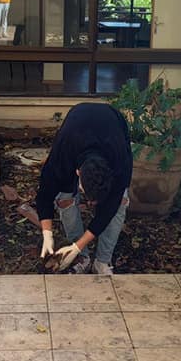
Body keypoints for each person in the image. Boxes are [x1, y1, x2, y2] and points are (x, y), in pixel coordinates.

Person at [36, 103, 132, 275]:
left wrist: (76, 245)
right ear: (78, 173)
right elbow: (44, 194)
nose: (91, 203)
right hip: (76, 127)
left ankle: (102, 261)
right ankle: (82, 258)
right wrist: (47, 235)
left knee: (120, 202)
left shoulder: (120, 163)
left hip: (113, 123)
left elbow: (109, 209)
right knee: (64, 199)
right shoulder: (62, 155)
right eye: (88, 197)